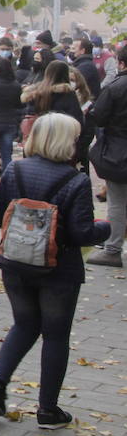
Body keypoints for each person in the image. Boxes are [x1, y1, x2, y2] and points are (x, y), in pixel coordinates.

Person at [0, 113, 111, 430]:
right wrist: (104, 230)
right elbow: (81, 234)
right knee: (55, 335)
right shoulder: (75, 180)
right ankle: (48, 410)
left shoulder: (14, 170)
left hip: (16, 263)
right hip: (58, 269)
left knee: (24, 323)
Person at [87, 44, 127, 268]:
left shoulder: (115, 87)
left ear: (121, 63)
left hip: (118, 152)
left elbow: (99, 117)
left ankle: (112, 249)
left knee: (117, 200)